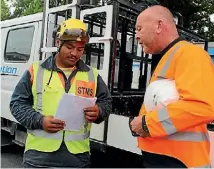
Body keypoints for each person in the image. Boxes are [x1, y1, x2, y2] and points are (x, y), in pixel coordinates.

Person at [10, 18, 112, 168]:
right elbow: (17, 104)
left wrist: (99, 111)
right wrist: (40, 120)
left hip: (77, 158)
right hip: (39, 157)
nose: (74, 53)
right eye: (70, 47)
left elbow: (106, 103)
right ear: (58, 43)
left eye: (80, 49)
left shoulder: (93, 75)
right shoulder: (36, 70)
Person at [130, 5, 214, 168]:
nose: (137, 36)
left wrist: (146, 124)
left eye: (139, 28)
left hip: (178, 162)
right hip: (167, 158)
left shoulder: (190, 54)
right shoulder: (171, 56)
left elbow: (202, 106)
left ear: (159, 26)